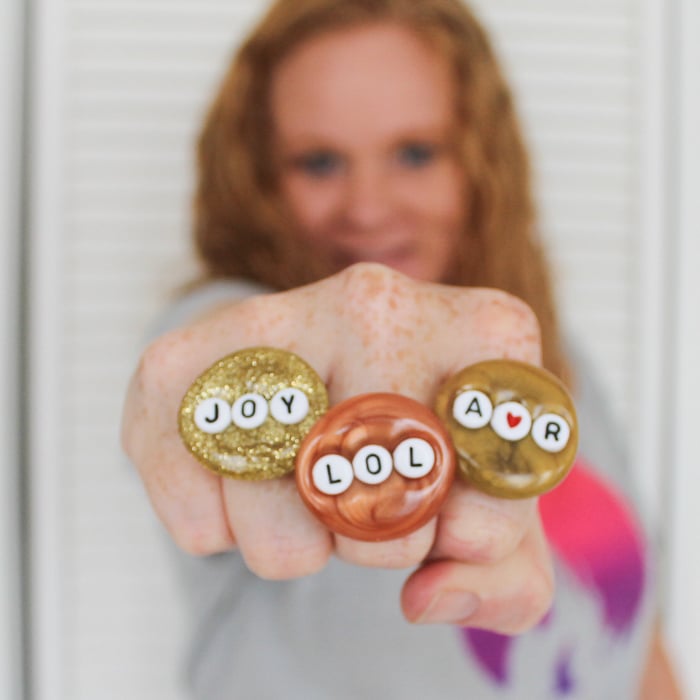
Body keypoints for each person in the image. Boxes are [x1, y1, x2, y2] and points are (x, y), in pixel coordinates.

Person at [121, 0, 682, 697]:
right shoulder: (235, 325)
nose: (368, 206)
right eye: (318, 162)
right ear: (259, 182)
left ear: (478, 165)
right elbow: (202, 355)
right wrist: (228, 376)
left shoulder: (552, 359)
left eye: (415, 153)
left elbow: (639, 640)